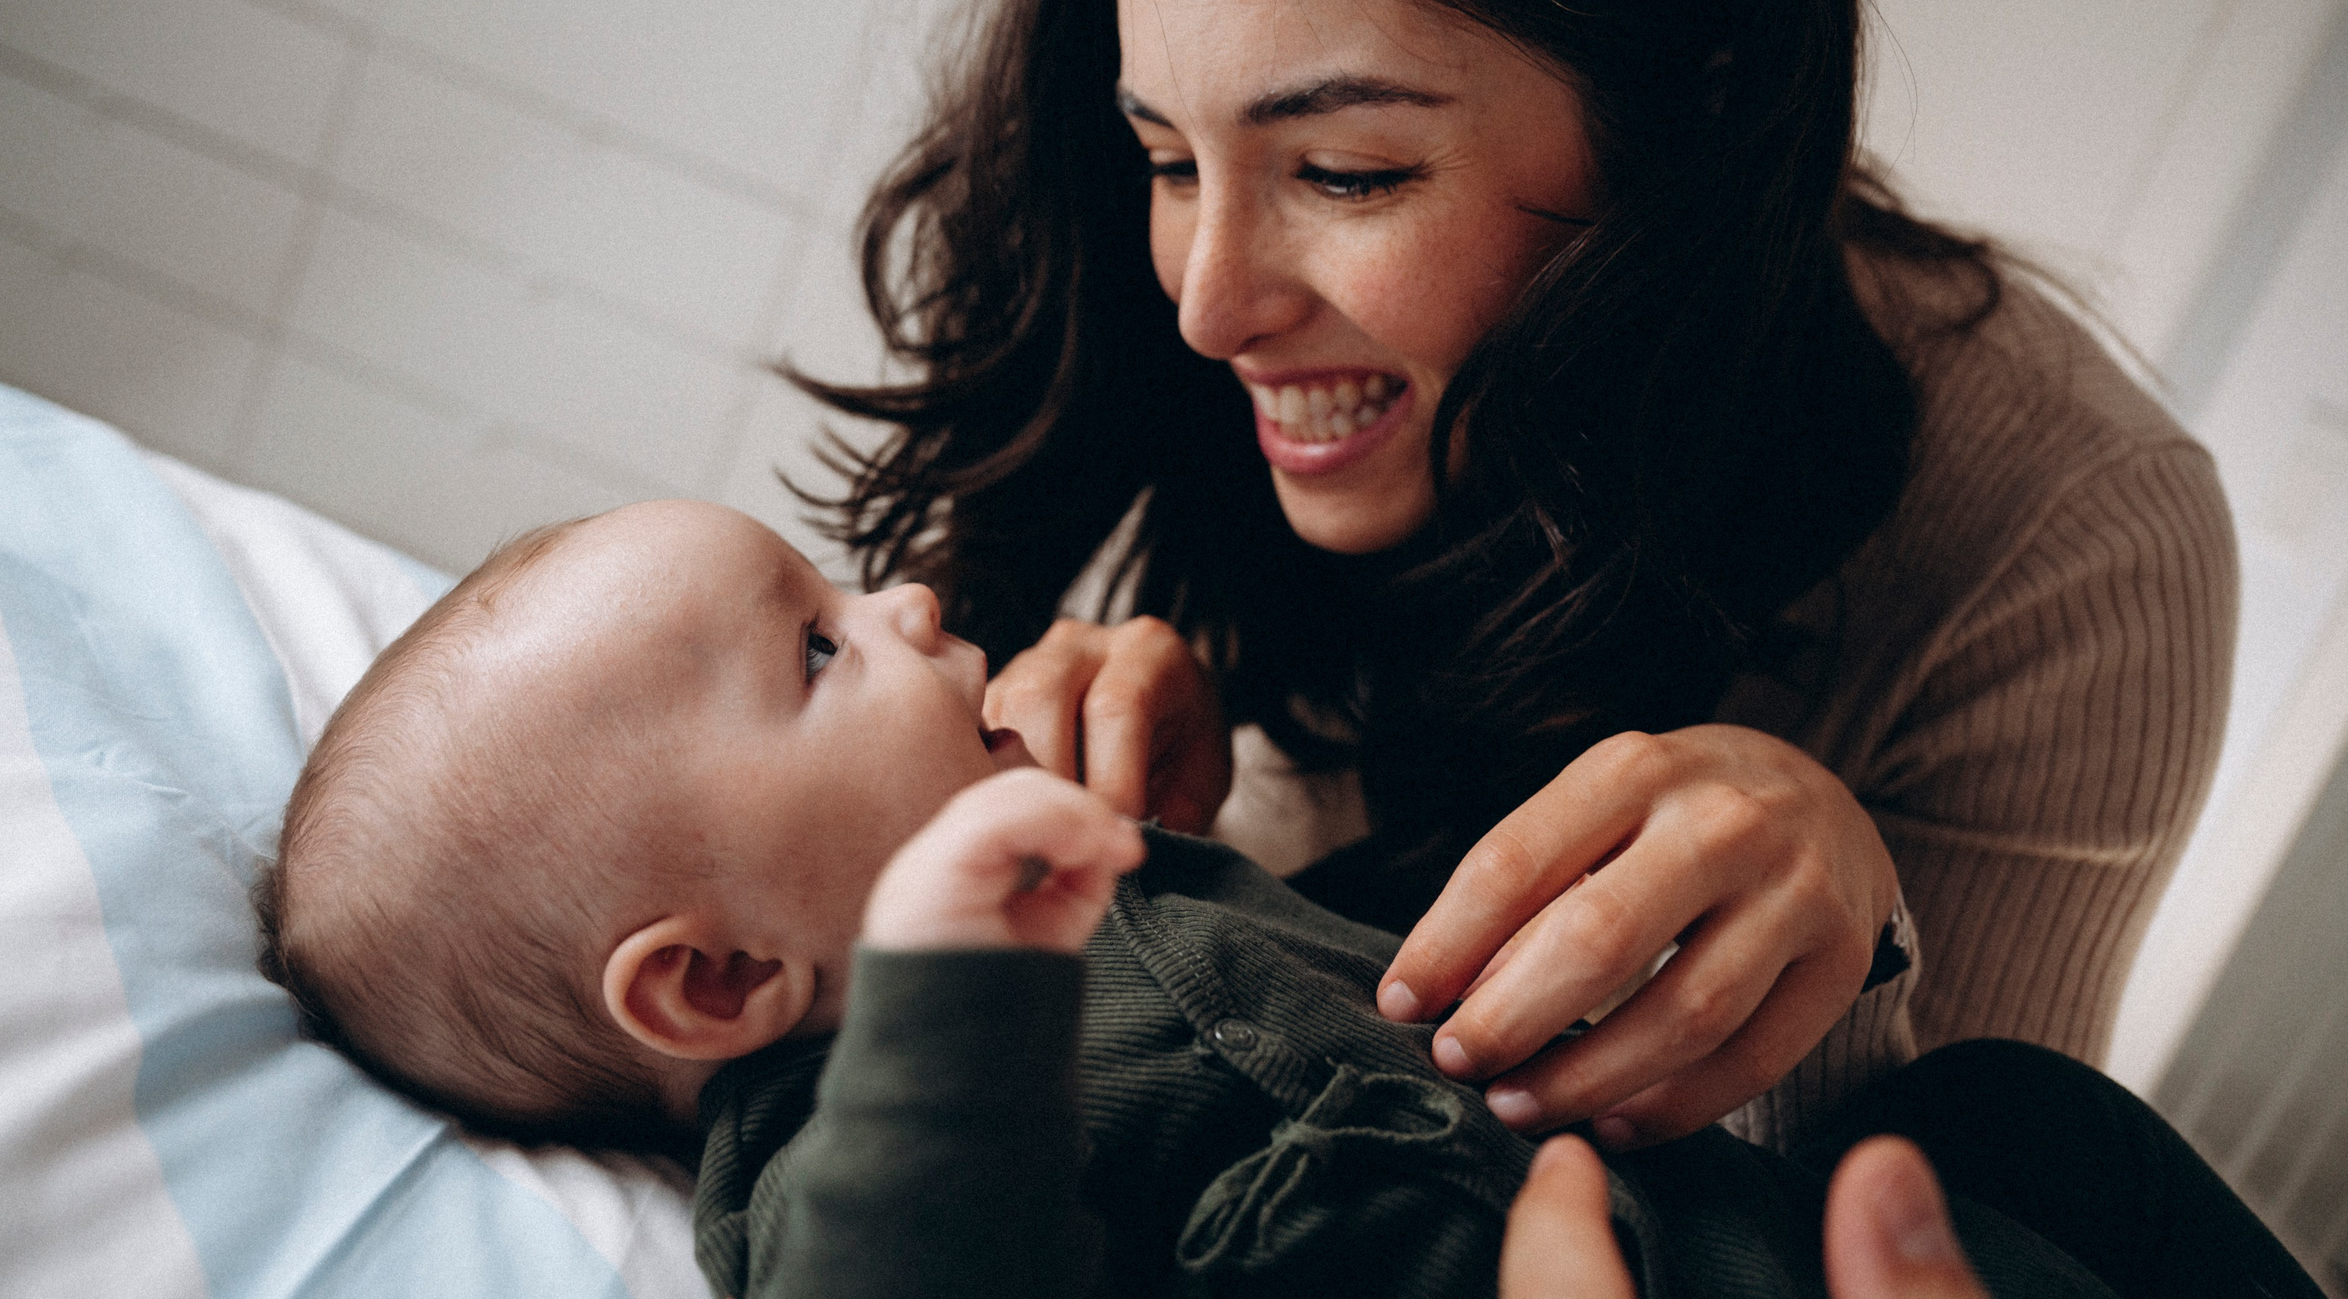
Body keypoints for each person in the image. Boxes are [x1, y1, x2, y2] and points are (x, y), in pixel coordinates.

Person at [794, 0, 2237, 1150]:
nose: (1209, 308)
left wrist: (1830, 929)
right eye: (1165, 156)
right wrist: (1074, 760)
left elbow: (1973, 1235)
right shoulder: (1158, 312)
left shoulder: (2074, 542)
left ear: (1691, 118)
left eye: (1346, 171)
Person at [255, 502, 2314, 1299]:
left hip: (1747, 1230)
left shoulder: (1127, 885)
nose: (898, 605)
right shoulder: (834, 1151)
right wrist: (946, 996)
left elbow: (1383, 981)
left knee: (2009, 1116)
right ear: (714, 977)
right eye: (811, 651)